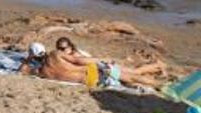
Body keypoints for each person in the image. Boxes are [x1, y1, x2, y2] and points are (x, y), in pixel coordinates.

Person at [19, 41, 166, 89]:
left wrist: (28, 59)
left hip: (93, 82)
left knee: (131, 77)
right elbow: (79, 61)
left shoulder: (40, 72)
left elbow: (21, 71)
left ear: (32, 56)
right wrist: (100, 61)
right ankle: (160, 84)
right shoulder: (55, 55)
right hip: (94, 71)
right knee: (131, 77)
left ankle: (157, 77)